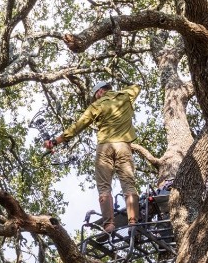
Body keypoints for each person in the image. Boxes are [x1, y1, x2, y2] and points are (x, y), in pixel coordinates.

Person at [44, 81, 141, 233]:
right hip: (124, 146)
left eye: (96, 95)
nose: (96, 98)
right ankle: (133, 222)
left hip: (104, 148)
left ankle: (109, 225)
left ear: (100, 92)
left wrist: (55, 141)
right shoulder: (126, 95)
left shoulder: (96, 106)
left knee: (104, 187)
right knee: (128, 184)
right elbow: (137, 86)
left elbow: (77, 126)